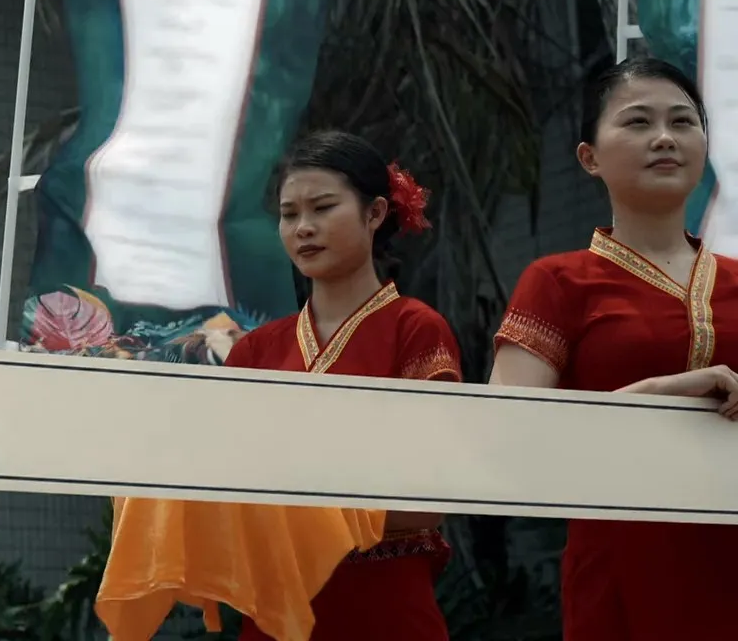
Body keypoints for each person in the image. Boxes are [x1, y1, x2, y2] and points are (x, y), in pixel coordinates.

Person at [489, 56, 738, 641]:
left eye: (683, 122)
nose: (664, 138)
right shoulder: (558, 282)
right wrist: (653, 394)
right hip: (623, 575)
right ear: (589, 157)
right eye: (637, 122)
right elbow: (504, 436)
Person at [224, 130, 458, 640]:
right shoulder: (253, 352)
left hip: (385, 610)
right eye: (289, 214)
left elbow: (428, 499)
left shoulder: (415, 329)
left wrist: (294, 501)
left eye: (323, 208)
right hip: (276, 612)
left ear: (375, 213)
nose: (304, 228)